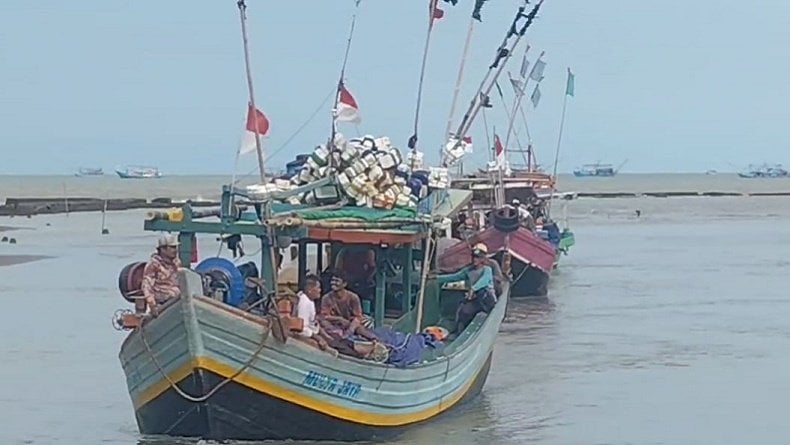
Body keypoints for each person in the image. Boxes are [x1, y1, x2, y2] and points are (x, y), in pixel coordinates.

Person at [435, 246, 498, 334]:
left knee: (484, 297)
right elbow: (454, 277)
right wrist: (436, 278)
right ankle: (460, 332)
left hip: (486, 299)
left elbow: (483, 281)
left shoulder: (487, 270)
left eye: (478, 257)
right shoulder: (468, 270)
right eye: (474, 257)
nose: (475, 259)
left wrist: (473, 288)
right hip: (475, 299)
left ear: (482, 259)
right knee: (463, 311)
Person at [319, 271, 377, 342]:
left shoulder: (353, 297)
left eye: (337, 281)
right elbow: (324, 316)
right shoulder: (326, 298)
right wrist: (339, 319)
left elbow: (358, 317)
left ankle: (374, 339)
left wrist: (350, 329)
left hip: (349, 323)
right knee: (323, 323)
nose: (333, 283)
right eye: (332, 280)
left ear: (344, 284)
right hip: (333, 324)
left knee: (360, 328)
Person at [141, 234, 182, 316]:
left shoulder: (177, 263)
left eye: (176, 247)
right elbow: (147, 286)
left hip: (177, 301)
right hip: (162, 302)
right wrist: (152, 305)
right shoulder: (154, 265)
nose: (175, 250)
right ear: (163, 249)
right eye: (172, 247)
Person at [294, 274, 328, 350]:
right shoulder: (305, 302)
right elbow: (302, 328)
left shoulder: (308, 299)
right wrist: (318, 338)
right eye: (318, 288)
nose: (320, 290)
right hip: (310, 336)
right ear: (309, 289)